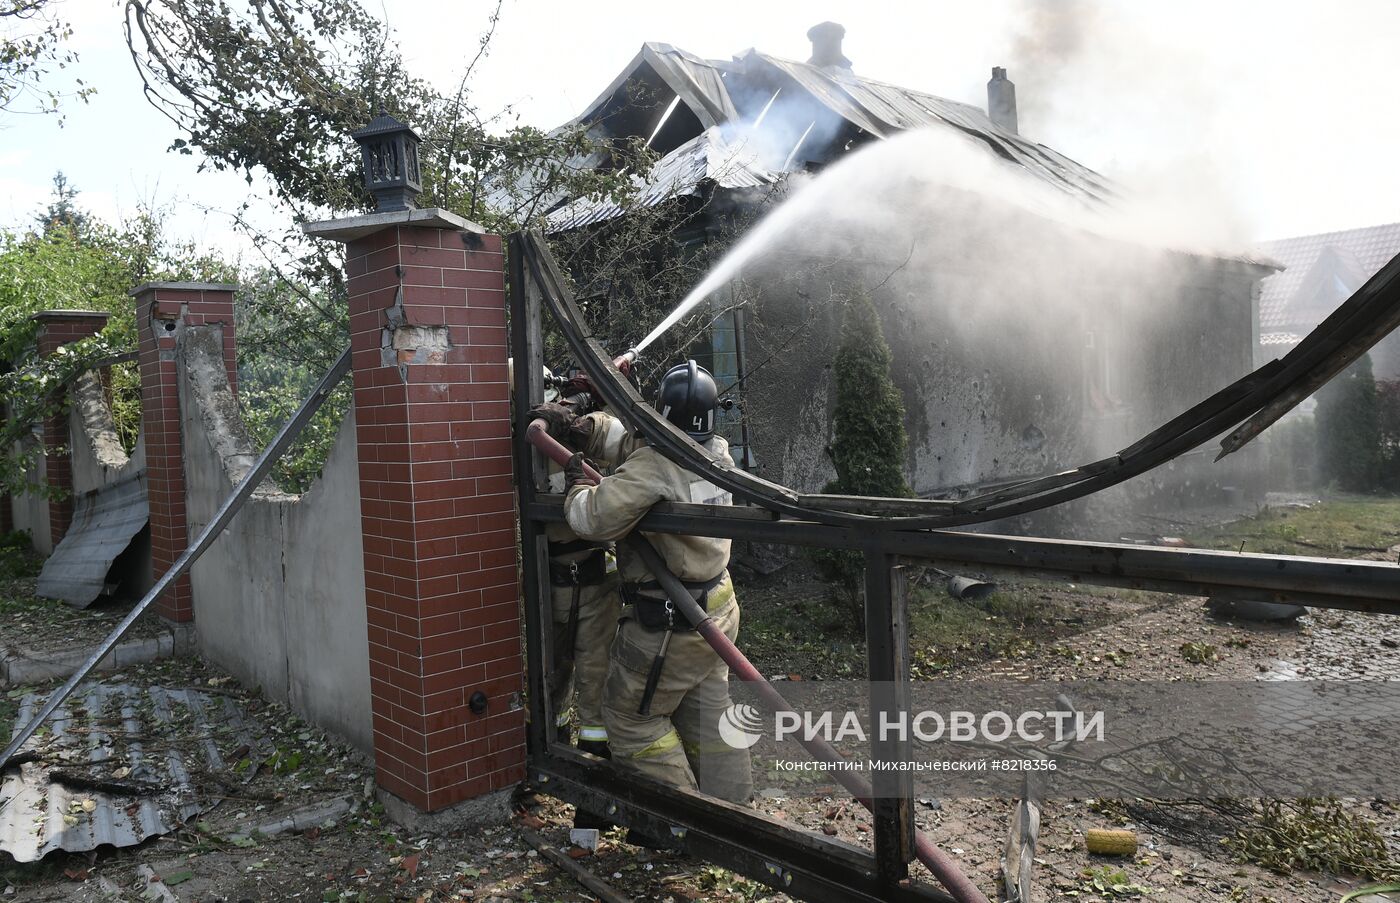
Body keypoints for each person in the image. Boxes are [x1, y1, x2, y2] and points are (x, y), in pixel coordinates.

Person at [530, 361, 753, 807]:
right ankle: (738, 814)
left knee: (631, 720)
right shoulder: (716, 451)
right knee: (709, 714)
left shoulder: (655, 466)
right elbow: (628, 440)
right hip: (717, 615)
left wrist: (576, 483)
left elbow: (592, 518)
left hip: (670, 625)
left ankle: (686, 818)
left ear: (663, 413)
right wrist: (581, 426)